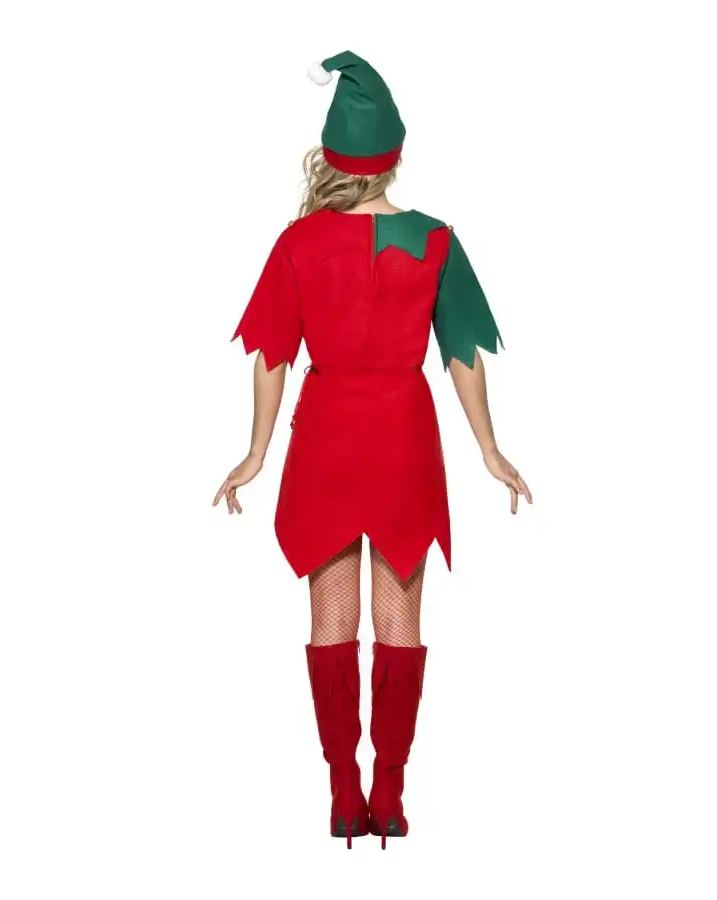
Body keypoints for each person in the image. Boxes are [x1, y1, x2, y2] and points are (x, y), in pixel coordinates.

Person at [213, 50, 533, 849]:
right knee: (400, 618)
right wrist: (489, 448)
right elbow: (463, 354)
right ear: (394, 155)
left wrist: (255, 452)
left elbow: (272, 354)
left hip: (326, 440)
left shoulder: (298, 244)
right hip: (402, 440)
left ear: (333, 158)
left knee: (332, 618)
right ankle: (388, 791)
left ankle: (341, 791)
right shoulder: (435, 241)